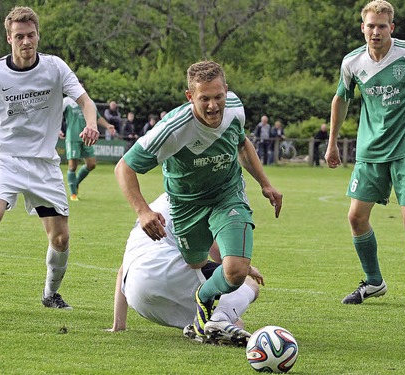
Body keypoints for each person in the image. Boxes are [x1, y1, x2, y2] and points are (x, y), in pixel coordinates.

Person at [0, 6, 100, 310]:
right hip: (5, 160)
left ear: (38, 35)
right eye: (20, 36)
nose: (26, 41)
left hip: (43, 164)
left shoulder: (55, 68)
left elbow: (85, 100)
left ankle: (50, 294)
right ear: (9, 38)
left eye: (31, 35)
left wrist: (91, 123)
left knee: (61, 239)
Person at [114, 60, 282, 338]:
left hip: (227, 195)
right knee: (195, 263)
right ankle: (212, 312)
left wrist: (265, 184)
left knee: (237, 270)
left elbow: (242, 143)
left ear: (226, 90)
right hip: (185, 207)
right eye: (205, 98)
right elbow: (125, 167)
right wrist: (143, 211)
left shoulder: (235, 109)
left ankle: (205, 299)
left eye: (219, 97)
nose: (214, 106)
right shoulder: (172, 129)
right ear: (190, 97)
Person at [325, 0, 405, 309]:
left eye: (382, 26)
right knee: (356, 217)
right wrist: (332, 142)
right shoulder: (352, 63)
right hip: (371, 152)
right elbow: (340, 99)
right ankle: (373, 282)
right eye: (370, 25)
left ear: (391, 28)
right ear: (362, 28)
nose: (376, 31)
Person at [111, 193, 263, 346]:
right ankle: (219, 319)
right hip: (165, 270)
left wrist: (118, 326)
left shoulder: (156, 206)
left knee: (235, 323)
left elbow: (122, 270)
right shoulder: (196, 199)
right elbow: (218, 255)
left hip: (137, 297)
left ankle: (203, 327)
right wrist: (246, 268)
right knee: (248, 284)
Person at [61, 82, 115, 201]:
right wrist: (57, 130)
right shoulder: (67, 102)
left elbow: (97, 117)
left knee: (91, 164)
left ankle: (75, 183)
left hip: (87, 136)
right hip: (73, 137)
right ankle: (73, 194)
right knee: (72, 166)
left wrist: (108, 126)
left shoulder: (88, 102)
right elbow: (56, 115)